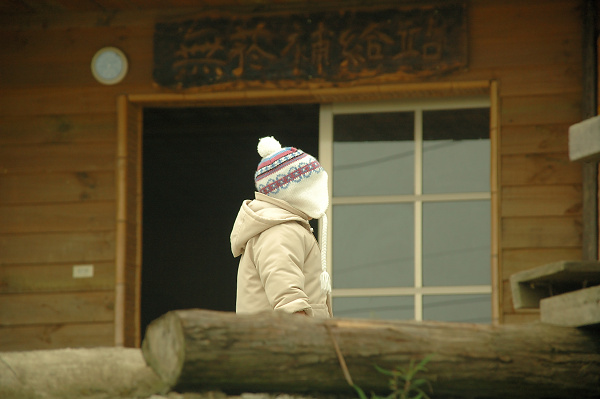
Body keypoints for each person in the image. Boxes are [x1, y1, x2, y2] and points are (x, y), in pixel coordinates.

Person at [230, 136, 332, 318]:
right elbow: (289, 302)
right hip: (288, 344)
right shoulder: (281, 231)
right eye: (314, 189)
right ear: (297, 194)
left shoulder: (282, 227)